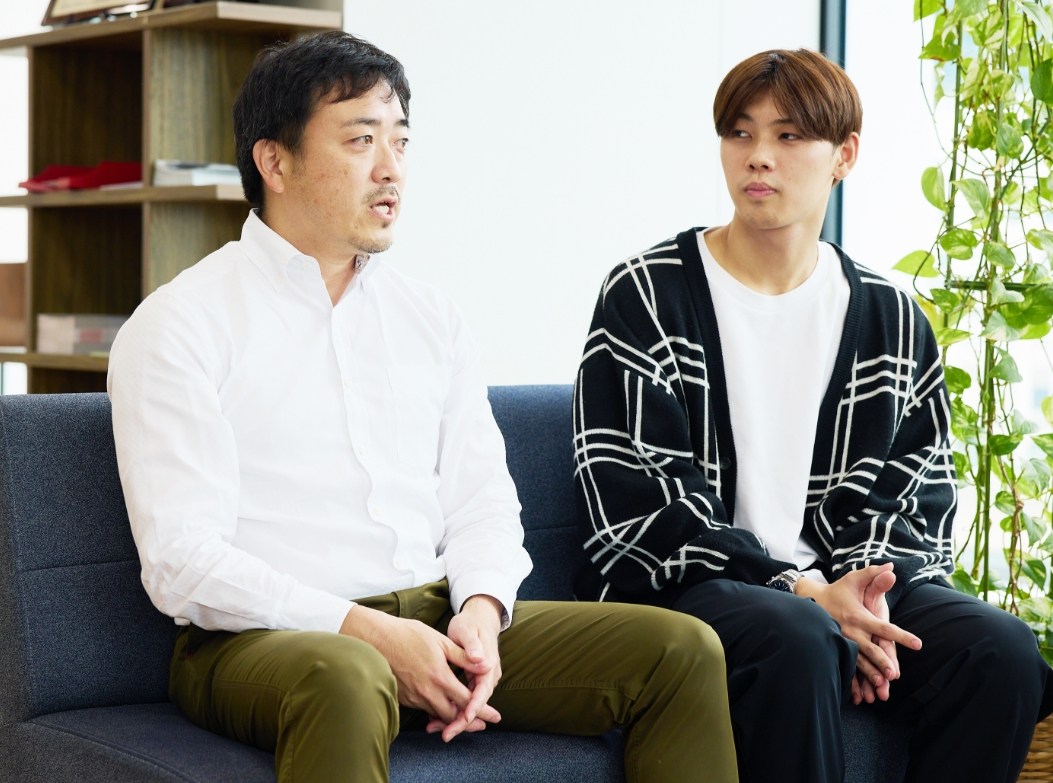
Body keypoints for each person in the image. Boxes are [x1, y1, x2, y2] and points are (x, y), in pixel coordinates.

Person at [106, 31, 738, 783]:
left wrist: (481, 611)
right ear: (274, 161)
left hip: (433, 616)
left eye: (400, 141)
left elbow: (482, 502)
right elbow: (181, 562)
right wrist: (366, 630)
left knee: (679, 650)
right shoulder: (180, 323)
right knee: (346, 675)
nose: (391, 168)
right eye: (361, 140)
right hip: (262, 642)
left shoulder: (429, 317)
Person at [572, 48, 1053, 783]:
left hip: (839, 587)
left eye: (789, 135)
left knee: (1001, 650)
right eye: (739, 133)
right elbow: (638, 508)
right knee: (796, 634)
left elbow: (914, 496)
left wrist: (862, 601)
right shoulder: (645, 294)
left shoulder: (890, 317)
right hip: (691, 590)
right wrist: (804, 593)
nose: (757, 156)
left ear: (844, 156)